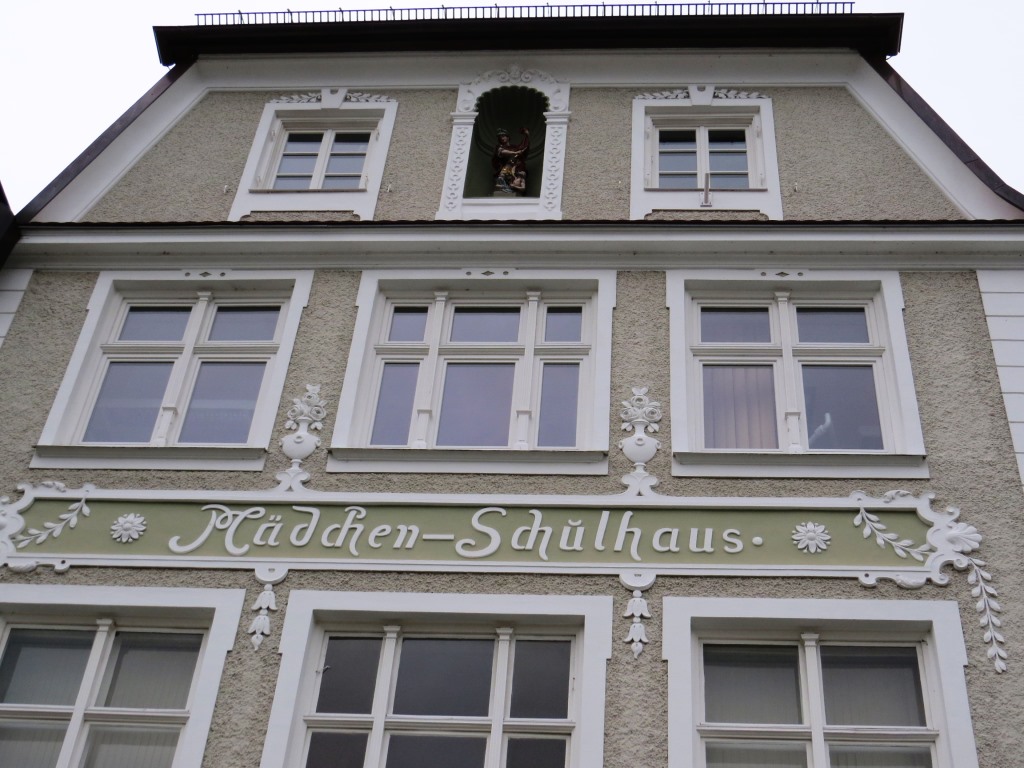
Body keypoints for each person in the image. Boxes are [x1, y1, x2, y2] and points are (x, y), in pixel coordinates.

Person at [492, 127, 530, 194]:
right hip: (507, 166)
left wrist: (526, 136)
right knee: (502, 175)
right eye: (500, 137)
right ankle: (504, 186)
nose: (502, 138)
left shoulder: (514, 147)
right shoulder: (499, 147)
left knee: (519, 174)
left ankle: (515, 188)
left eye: (503, 136)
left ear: (508, 137)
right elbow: (502, 152)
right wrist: (514, 153)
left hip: (516, 167)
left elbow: (522, 148)